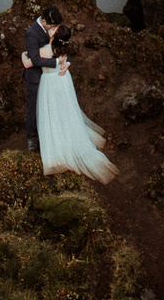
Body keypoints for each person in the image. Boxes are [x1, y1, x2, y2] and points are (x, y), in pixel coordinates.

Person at [35, 24, 116, 183]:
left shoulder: (45, 50)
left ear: (55, 36)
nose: (50, 30)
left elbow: (32, 61)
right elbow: (63, 58)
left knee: (52, 113)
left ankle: (57, 145)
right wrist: (67, 64)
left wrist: (25, 55)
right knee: (66, 111)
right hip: (63, 81)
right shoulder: (63, 47)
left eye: (53, 30)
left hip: (51, 83)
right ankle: (69, 136)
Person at [20, 7, 60, 151]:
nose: (54, 28)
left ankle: (48, 133)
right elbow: (35, 60)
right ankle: (32, 138)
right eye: (52, 25)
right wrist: (56, 62)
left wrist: (66, 61)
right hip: (35, 76)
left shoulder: (53, 28)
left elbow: (63, 45)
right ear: (43, 21)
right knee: (34, 105)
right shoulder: (31, 33)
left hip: (50, 76)